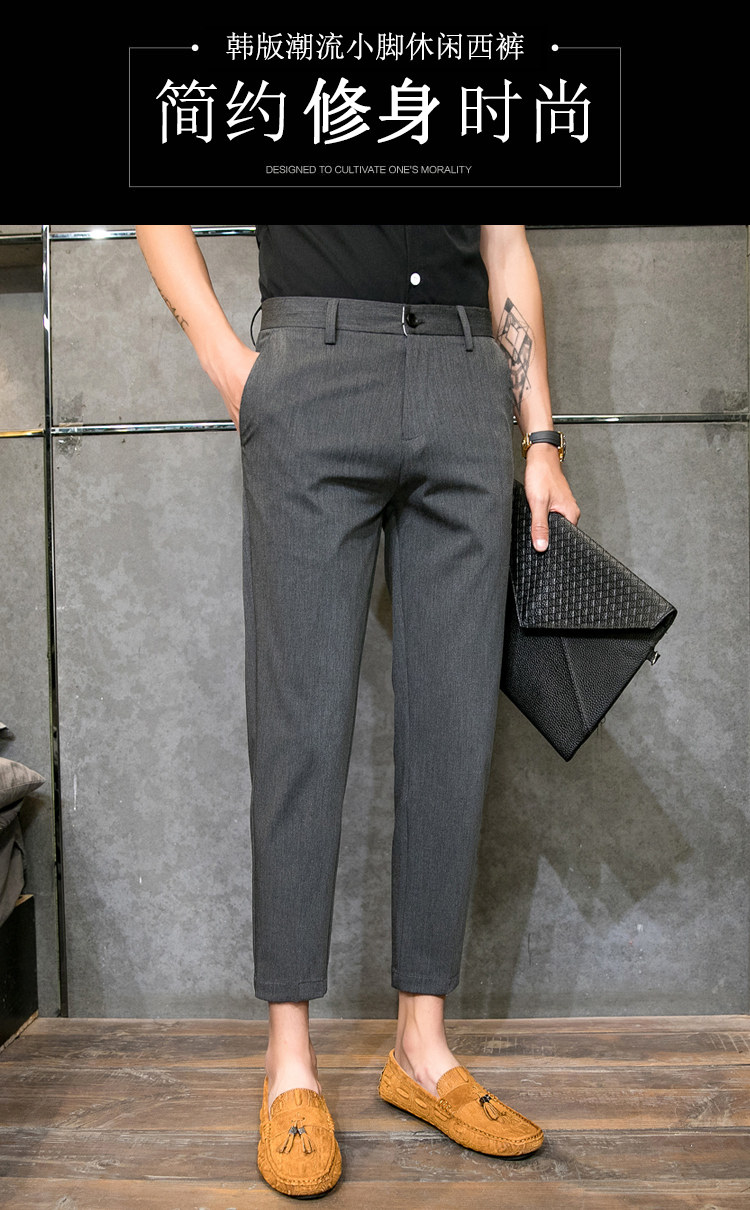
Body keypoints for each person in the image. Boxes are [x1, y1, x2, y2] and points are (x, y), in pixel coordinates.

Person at [135, 225, 579, 1198]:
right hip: (314, 372)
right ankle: (288, 1061)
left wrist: (541, 435)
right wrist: (229, 361)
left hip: (465, 381)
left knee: (454, 725)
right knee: (300, 725)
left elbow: (505, 243)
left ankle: (422, 1045)